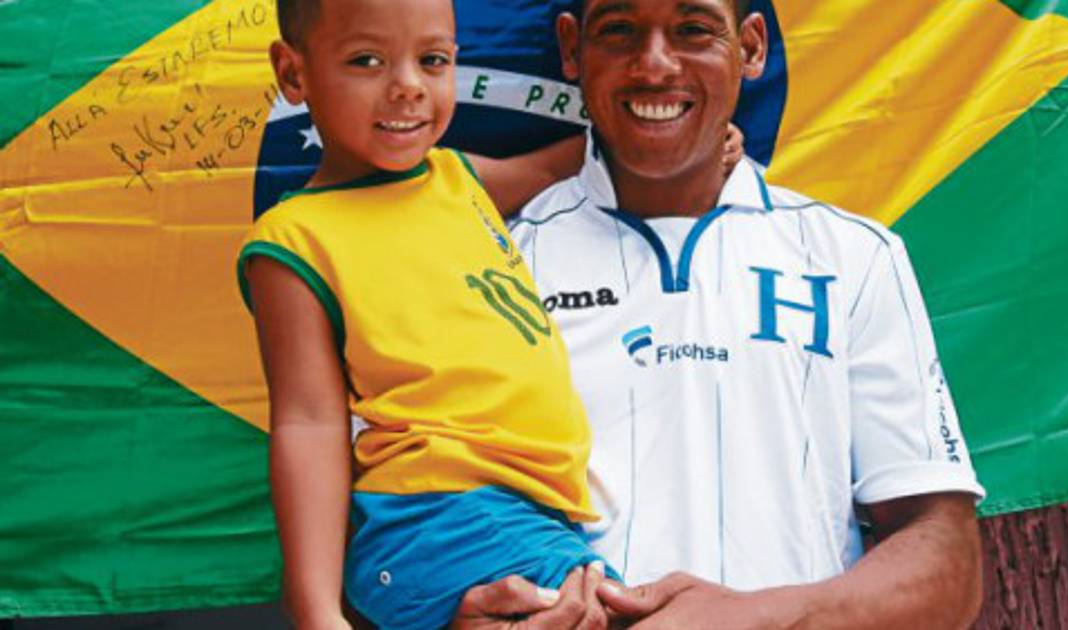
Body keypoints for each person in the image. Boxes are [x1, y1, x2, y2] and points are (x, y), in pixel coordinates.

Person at [453, 0, 987, 628]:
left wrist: (758, 619)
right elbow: (408, 512)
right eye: (619, 30)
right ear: (572, 49)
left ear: (752, 47)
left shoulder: (854, 256)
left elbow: (947, 564)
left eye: (693, 29)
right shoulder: (494, 267)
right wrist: (454, 613)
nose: (655, 65)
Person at [239, 0, 638, 627]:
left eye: (432, 61)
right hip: (437, 515)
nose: (408, 87)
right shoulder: (294, 238)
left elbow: (554, 167)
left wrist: (676, 138)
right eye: (366, 61)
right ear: (294, 74)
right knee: (631, 615)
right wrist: (317, 612)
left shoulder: (454, 177)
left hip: (522, 515)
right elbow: (308, 423)